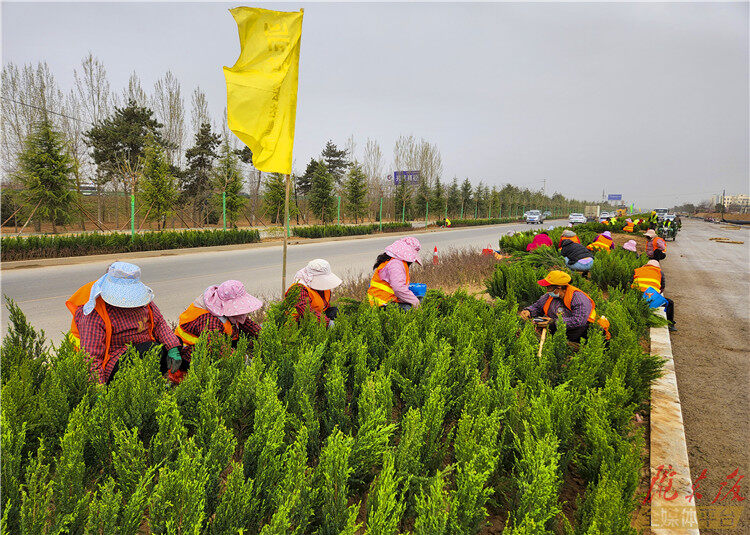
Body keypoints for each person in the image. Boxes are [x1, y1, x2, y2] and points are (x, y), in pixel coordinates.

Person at [65, 261, 182, 384]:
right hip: (115, 360)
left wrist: (173, 347)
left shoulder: (143, 302)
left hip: (144, 351)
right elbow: (92, 357)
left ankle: (150, 385)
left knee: (174, 344)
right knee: (150, 349)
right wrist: (97, 388)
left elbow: (159, 324)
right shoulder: (95, 313)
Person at [175, 280, 263, 366]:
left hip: (213, 344)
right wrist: (243, 360)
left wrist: (264, 335)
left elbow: (246, 323)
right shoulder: (208, 320)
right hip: (189, 359)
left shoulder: (223, 308)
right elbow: (216, 346)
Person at [519, 270, 610, 342]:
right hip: (560, 328)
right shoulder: (550, 295)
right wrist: (529, 311)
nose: (547, 290)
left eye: (548, 287)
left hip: (581, 332)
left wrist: (554, 322)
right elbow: (538, 306)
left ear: (558, 288)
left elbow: (578, 321)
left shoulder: (578, 298)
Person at [367, 236, 422, 310]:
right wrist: (415, 303)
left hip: (387, 301)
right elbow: (398, 288)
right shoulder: (395, 264)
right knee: (409, 308)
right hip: (382, 304)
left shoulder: (394, 262)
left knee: (419, 299)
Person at [285, 259, 342, 326]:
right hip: (296, 327)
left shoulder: (323, 288)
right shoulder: (299, 289)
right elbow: (306, 313)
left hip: (316, 325)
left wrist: (328, 310)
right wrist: (327, 323)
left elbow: (321, 305)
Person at [632, 260, 676, 331]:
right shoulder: (660, 273)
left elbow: (630, 283)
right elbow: (662, 288)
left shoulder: (637, 270)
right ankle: (670, 324)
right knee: (670, 303)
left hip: (636, 297)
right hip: (651, 298)